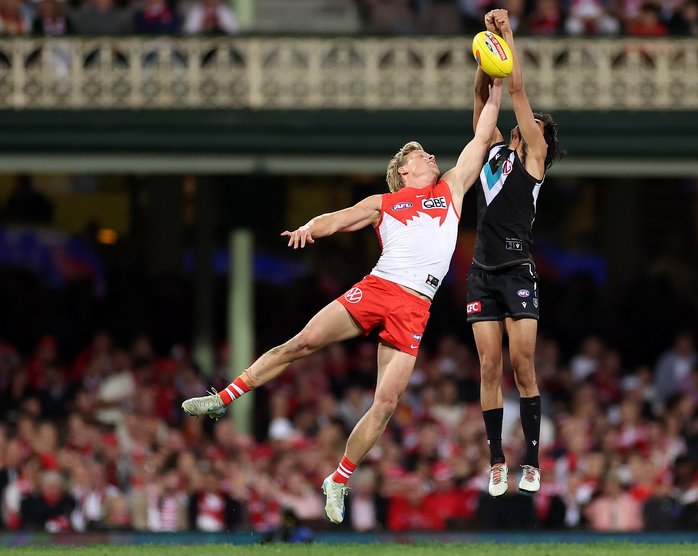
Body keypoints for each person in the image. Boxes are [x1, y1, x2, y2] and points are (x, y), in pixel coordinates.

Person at [181, 78, 504, 525]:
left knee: (387, 403)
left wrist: (498, 80)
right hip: (378, 288)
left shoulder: (450, 189)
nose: (431, 156)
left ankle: (339, 478)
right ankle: (224, 397)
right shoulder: (386, 201)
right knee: (302, 343)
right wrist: (309, 228)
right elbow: (339, 218)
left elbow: (484, 135)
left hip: (415, 306)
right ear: (403, 171)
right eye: (420, 155)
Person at [467, 8, 564, 498]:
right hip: (482, 271)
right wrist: (487, 50)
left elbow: (519, 93)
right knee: (488, 367)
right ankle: (496, 461)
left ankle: (532, 462)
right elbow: (485, 96)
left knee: (522, 364)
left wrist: (508, 36)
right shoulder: (492, 152)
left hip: (517, 269)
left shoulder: (533, 162)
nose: (531, 126)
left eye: (539, 127)